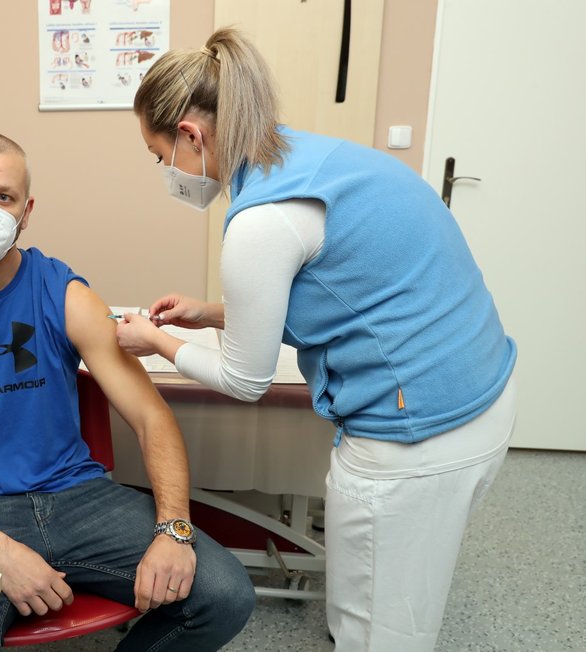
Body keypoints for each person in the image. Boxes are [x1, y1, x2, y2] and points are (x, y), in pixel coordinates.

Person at [116, 28, 518, 652]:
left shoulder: (259, 223)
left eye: (157, 154)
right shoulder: (306, 157)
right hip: (476, 388)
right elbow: (336, 286)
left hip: (418, 432)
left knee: (381, 630)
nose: (163, 171)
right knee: (382, 601)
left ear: (190, 136)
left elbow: (245, 380)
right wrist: (210, 313)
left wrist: (158, 343)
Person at [0, 131, 255, 652]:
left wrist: (174, 530)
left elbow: (150, 417)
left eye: (2, 197)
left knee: (224, 594)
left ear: (25, 212)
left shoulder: (63, 293)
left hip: (77, 496)